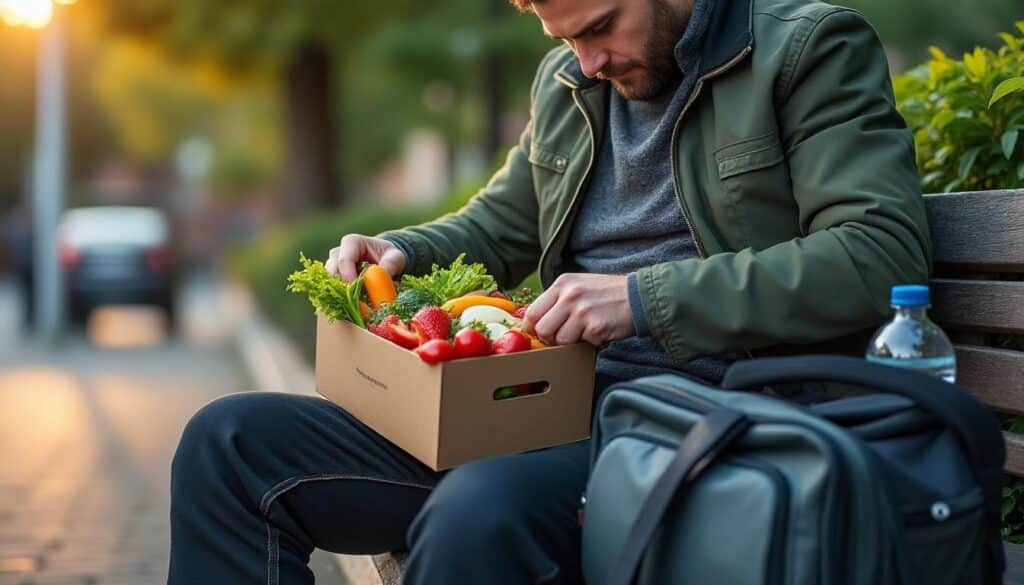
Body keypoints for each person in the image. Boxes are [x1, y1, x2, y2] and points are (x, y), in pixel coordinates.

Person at [167, 0, 930, 582]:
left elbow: (875, 254)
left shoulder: (806, 48)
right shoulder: (567, 81)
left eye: (600, 27)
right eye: (564, 37)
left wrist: (641, 297)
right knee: (229, 446)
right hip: (548, 410)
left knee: (476, 513)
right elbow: (500, 225)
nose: (589, 60)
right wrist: (399, 249)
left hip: (709, 422)